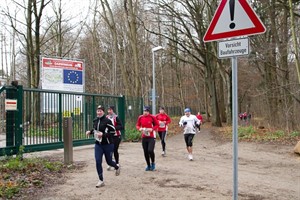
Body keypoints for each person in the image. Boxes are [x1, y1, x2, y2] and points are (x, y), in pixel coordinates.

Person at [86, 105, 120, 188]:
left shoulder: (107, 121)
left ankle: (116, 166)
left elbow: (113, 132)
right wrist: (89, 132)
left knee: (109, 162)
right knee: (98, 161)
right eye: (98, 111)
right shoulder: (95, 120)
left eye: (100, 111)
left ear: (103, 112)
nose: (99, 112)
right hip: (98, 145)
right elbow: (95, 129)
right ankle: (101, 180)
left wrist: (103, 135)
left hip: (108, 144)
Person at [136, 106, 159, 171]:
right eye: (144, 111)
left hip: (151, 137)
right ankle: (148, 165)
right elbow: (137, 125)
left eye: (146, 111)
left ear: (149, 112)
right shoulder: (140, 117)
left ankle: (153, 163)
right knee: (145, 152)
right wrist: (140, 128)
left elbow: (157, 125)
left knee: (150, 150)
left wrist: (152, 129)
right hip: (144, 136)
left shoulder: (152, 117)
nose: (145, 112)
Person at [106, 105, 123, 170]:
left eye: (110, 110)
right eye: (108, 110)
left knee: (115, 149)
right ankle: (110, 163)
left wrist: (114, 128)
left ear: (113, 110)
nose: (109, 111)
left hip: (116, 136)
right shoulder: (106, 117)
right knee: (109, 150)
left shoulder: (116, 117)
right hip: (109, 136)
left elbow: (121, 126)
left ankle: (117, 163)